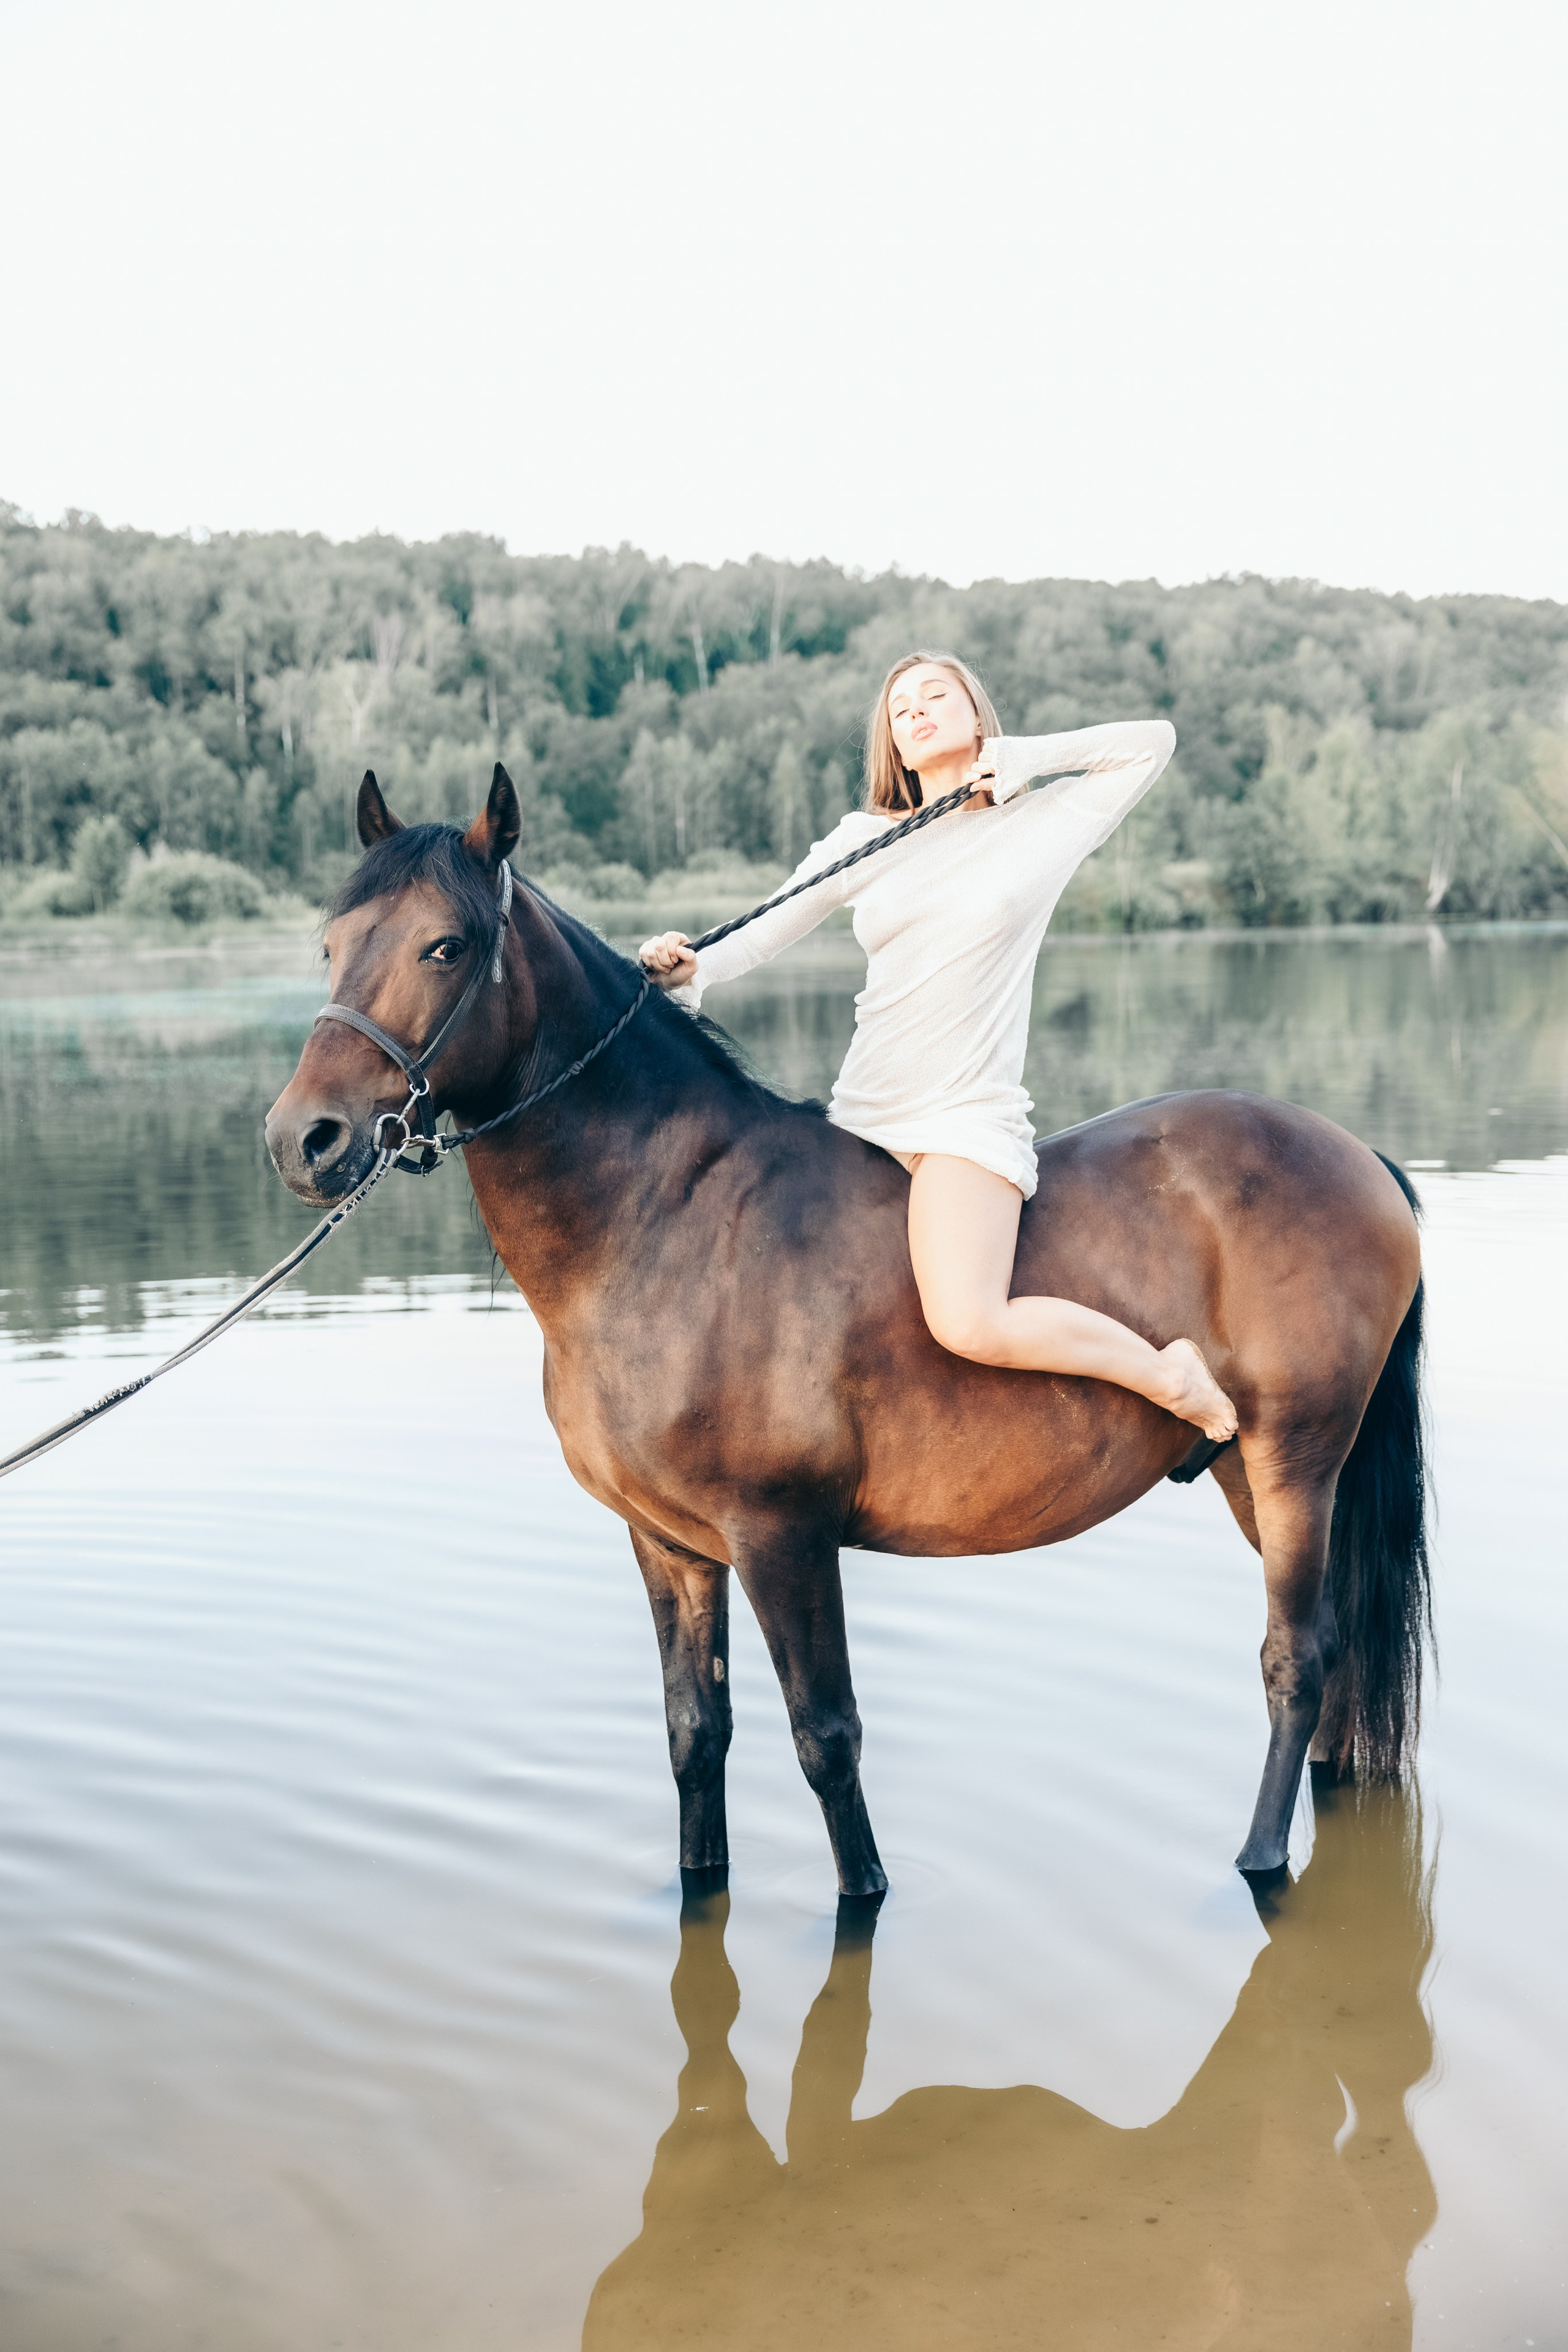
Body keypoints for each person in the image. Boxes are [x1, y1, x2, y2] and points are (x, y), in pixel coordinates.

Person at [639, 651, 1237, 1441]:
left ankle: (1170, 1375)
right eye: (898, 711)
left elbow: (1151, 742)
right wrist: (691, 968)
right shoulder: (865, 838)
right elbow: (764, 930)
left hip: (962, 1120)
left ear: (976, 710)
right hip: (858, 1117)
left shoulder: (1045, 825)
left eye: (934, 696)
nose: (914, 713)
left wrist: (1021, 760)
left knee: (970, 1323)